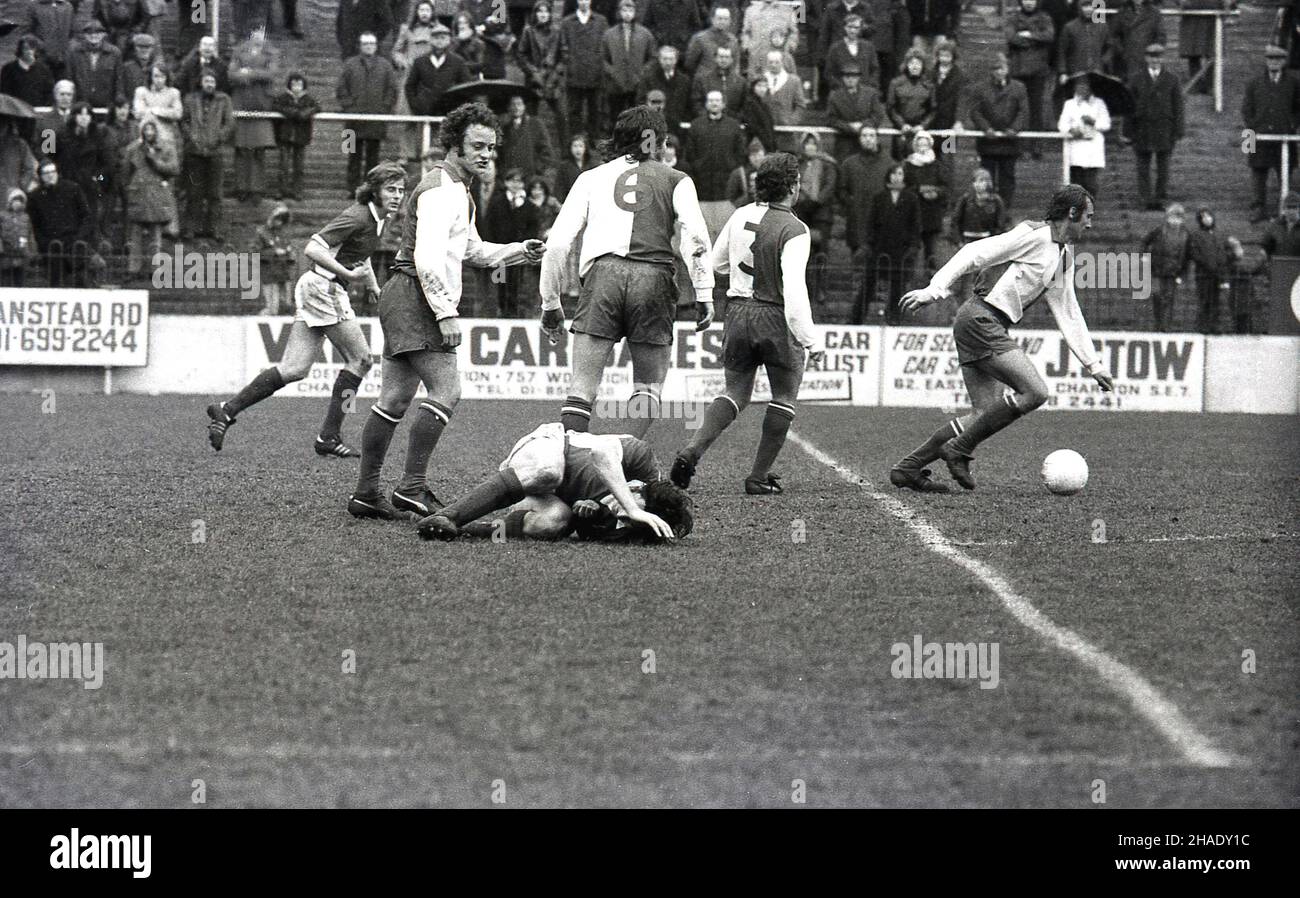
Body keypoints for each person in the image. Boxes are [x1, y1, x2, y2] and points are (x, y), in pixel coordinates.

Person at [347, 105, 545, 521]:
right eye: (477, 146)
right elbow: (428, 258)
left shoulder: (459, 189)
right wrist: (445, 313)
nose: (486, 154)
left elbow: (471, 250)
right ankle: (411, 487)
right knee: (447, 390)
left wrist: (516, 251)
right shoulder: (440, 188)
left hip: (405, 293)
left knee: (396, 398)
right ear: (454, 145)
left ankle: (366, 493)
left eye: (491, 147)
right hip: (417, 294)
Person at [891, 184, 1115, 492]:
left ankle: (909, 467)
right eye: (1087, 216)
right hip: (981, 319)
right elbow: (974, 252)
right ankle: (958, 450)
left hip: (985, 322)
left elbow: (1068, 311)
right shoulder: (1034, 234)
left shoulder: (1063, 257)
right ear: (1072, 213)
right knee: (1035, 392)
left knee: (984, 413)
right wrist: (936, 289)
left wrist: (1094, 364)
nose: (1090, 224)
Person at [206, 163, 408, 459]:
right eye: (391, 189)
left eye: (401, 190)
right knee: (361, 359)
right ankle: (329, 435)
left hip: (318, 286)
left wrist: (373, 286)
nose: (397, 196)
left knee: (294, 369)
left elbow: (360, 259)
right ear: (374, 190)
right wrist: (348, 276)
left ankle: (227, 410)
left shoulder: (380, 218)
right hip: (323, 287)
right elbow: (313, 248)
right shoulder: (358, 215)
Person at [539, 104, 715, 438]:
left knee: (582, 388)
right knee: (648, 388)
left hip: (603, 277)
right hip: (654, 279)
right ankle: (618, 466)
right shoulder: (677, 179)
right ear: (659, 142)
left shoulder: (590, 177)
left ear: (618, 140)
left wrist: (550, 301)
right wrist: (704, 293)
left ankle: (571, 469)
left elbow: (558, 243)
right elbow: (696, 238)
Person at [670, 152, 824, 495]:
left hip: (738, 313)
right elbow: (795, 289)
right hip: (774, 315)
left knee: (735, 391)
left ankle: (691, 451)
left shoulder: (740, 215)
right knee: (784, 396)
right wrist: (811, 339)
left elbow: (717, 262)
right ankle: (758, 476)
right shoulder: (795, 229)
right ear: (792, 187)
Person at [414, 423, 689, 542]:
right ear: (638, 488)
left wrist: (586, 514)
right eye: (628, 513)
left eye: (628, 523)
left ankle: (464, 529)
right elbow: (602, 453)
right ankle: (448, 515)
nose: (622, 517)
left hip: (539, 498)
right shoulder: (642, 460)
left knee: (555, 522)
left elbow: (583, 530)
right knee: (550, 472)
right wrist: (634, 508)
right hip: (546, 449)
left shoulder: (626, 527)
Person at [1243, 45, 1300, 223]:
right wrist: (1254, 126)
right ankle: (1258, 209)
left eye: (1277, 60)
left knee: (1285, 172)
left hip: (1284, 136)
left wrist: (1291, 124)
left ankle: (1285, 210)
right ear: (1266, 61)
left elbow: (1298, 108)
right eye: (1270, 59)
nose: (1274, 63)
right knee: (1258, 172)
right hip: (1258, 136)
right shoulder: (1255, 82)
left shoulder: (1293, 83)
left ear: (1283, 62)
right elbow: (1247, 109)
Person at [338, 32, 398, 194]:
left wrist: (383, 109)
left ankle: (370, 189)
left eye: (372, 43)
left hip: (375, 120)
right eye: (365, 43)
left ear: (376, 45)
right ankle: (353, 188)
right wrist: (349, 107)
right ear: (360, 45)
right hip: (352, 122)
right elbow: (341, 89)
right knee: (352, 154)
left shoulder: (385, 65)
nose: (369, 46)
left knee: (373, 156)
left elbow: (392, 90)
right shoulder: (350, 64)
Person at [861, 162, 920, 324]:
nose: (896, 177)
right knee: (868, 284)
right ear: (889, 176)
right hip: (879, 248)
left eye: (900, 174)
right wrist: (868, 244)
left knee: (897, 287)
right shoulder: (879, 197)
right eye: (894, 173)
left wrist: (913, 247)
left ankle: (894, 318)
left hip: (901, 249)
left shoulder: (911, 198)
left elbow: (915, 225)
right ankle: (857, 319)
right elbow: (871, 223)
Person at [1126, 42, 1182, 211]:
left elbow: (1178, 106)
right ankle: (1145, 199)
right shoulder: (1136, 79)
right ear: (1146, 58)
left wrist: (1178, 129)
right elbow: (1128, 106)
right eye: (1151, 57)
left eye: (1158, 57)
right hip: (1142, 127)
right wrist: (1128, 131)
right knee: (1142, 166)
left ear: (1163, 58)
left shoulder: (1172, 79)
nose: (1155, 60)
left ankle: (1160, 198)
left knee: (1163, 167)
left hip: (1164, 128)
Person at [180, 68, 235, 240]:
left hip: (215, 151)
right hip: (194, 152)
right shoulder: (190, 99)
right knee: (193, 192)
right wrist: (192, 137)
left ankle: (215, 228)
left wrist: (219, 138)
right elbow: (184, 121)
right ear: (201, 82)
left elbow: (229, 123)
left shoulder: (224, 100)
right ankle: (191, 228)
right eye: (206, 81)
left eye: (212, 81)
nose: (209, 84)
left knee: (215, 193)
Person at [229, 26, 281, 205]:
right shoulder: (239, 50)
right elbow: (231, 74)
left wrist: (249, 72)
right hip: (241, 105)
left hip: (261, 107)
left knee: (258, 152)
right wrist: (251, 74)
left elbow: (271, 73)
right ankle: (242, 188)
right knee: (242, 151)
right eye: (255, 32)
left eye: (262, 32)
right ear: (250, 34)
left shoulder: (271, 53)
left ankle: (256, 189)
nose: (258, 36)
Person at [686, 89, 747, 239]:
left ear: (723, 104)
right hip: (703, 184)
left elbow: (740, 152)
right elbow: (689, 152)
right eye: (711, 100)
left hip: (726, 185)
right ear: (706, 104)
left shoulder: (733, 126)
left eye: (717, 100)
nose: (714, 103)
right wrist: (698, 166)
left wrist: (732, 167)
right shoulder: (696, 125)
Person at [970, 53, 1028, 210]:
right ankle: (987, 209)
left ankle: (1003, 211)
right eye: (995, 68)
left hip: (1009, 143)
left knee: (1007, 179)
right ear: (991, 71)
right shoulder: (980, 88)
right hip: (988, 143)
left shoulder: (1019, 88)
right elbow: (975, 112)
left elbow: (1023, 112)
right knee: (986, 178)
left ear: (1007, 69)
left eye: (1002, 68)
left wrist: (1014, 129)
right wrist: (986, 128)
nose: (999, 71)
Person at [122, 117, 178, 276]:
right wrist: (130, 188)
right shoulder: (133, 149)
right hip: (138, 194)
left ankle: (156, 269)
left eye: (152, 129)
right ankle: (134, 269)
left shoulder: (167, 148)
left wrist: (155, 161)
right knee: (136, 236)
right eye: (146, 129)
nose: (149, 132)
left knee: (156, 236)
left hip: (157, 194)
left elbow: (174, 169)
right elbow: (125, 173)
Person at [483, 166, 541, 317]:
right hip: (500, 254)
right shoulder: (497, 202)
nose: (516, 185)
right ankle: (500, 311)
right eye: (512, 181)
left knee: (517, 284)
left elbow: (533, 227)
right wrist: (492, 247)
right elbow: (489, 224)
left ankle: (514, 313)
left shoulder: (529, 206)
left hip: (518, 253)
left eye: (519, 182)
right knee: (499, 283)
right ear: (506, 183)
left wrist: (526, 245)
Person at [26, 158, 91, 287]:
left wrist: (79, 237)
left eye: (52, 171)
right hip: (51, 245)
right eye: (46, 173)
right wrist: (43, 243)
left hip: (73, 242)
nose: (50, 175)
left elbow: (86, 216)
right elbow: (34, 224)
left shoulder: (73, 188)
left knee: (80, 283)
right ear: (40, 176)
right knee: (55, 284)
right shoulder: (35, 196)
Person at [948, 168, 1008, 301]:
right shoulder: (965, 199)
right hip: (967, 241)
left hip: (986, 242)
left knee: (984, 279)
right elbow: (955, 221)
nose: (981, 184)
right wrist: (958, 242)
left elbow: (1000, 224)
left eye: (984, 181)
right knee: (964, 278)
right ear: (973, 183)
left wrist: (994, 243)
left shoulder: (996, 201)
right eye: (978, 181)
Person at [1005, 0, 1055, 152]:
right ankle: (1015, 143)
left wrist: (1028, 35)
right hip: (1017, 70)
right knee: (1015, 106)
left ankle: (1036, 144)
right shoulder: (1013, 18)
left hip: (1037, 70)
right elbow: (1011, 37)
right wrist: (1034, 41)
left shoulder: (1044, 18)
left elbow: (1049, 35)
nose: (1029, 3)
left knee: (1036, 108)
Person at [559, 0, 608, 142]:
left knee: (595, 110)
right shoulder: (567, 22)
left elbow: (605, 47)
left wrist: (600, 67)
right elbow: (563, 47)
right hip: (575, 75)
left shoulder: (601, 21)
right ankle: (577, 141)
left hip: (595, 75)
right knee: (574, 111)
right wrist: (570, 65)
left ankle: (594, 141)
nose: (584, 2)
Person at [1058, 73, 1110, 199]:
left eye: (1086, 86)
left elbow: (1106, 124)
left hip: (1093, 148)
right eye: (1080, 86)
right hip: (1076, 147)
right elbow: (1062, 124)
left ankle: (1088, 210)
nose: (1083, 89)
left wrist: (1094, 122)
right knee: (1076, 183)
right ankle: (1076, 211)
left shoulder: (1099, 104)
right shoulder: (1069, 104)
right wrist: (1071, 130)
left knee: (1091, 184)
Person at [902, 129, 946, 278]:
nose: (922, 148)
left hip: (932, 213)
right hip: (913, 212)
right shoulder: (908, 165)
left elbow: (945, 186)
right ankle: (908, 278)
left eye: (925, 145)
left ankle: (931, 279)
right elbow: (904, 186)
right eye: (919, 145)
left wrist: (936, 192)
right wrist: (919, 190)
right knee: (911, 248)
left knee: (931, 250)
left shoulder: (937, 165)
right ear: (915, 146)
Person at [515, 1, 564, 133]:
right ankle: (530, 145)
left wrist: (555, 74)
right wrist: (533, 72)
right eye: (540, 11)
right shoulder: (528, 31)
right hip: (533, 80)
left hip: (552, 81)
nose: (543, 14)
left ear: (550, 14)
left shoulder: (556, 32)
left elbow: (563, 56)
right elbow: (520, 55)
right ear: (535, 14)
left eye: (546, 11)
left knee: (561, 115)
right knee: (530, 116)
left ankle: (566, 149)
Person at [405, 22, 472, 118]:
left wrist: (459, 108)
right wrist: (416, 105)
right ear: (431, 40)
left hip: (450, 112)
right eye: (436, 38)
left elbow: (467, 86)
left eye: (443, 38)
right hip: (424, 112)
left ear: (449, 40)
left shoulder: (458, 61)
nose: (439, 41)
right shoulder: (420, 61)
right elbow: (410, 86)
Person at [1141, 201, 1191, 331]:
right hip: (1157, 269)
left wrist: (1182, 273)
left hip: (1174, 271)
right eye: (1172, 217)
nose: (1175, 221)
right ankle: (1158, 323)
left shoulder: (1186, 234)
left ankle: (1165, 326)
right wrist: (1144, 256)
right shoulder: (1159, 230)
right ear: (1168, 217)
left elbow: (1187, 256)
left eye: (1178, 218)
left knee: (1169, 299)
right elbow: (1145, 241)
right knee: (1157, 296)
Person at [271, 72, 319, 201]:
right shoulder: (283, 97)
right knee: (284, 165)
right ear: (289, 85)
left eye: (299, 84)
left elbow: (317, 107)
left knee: (299, 166)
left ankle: (297, 190)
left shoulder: (308, 98)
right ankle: (282, 190)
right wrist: (291, 112)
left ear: (303, 86)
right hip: (285, 135)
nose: (296, 87)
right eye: (294, 84)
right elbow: (275, 106)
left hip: (301, 136)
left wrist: (304, 113)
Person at [827, 61, 887, 159]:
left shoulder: (871, 94)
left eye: (854, 76)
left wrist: (863, 125)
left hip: (867, 141)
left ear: (858, 78)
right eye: (847, 76)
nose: (850, 79)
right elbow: (831, 119)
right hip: (845, 142)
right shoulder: (835, 96)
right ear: (842, 78)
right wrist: (849, 127)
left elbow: (878, 115)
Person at [637, 45, 692, 138]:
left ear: (676, 60)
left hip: (677, 127)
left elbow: (689, 104)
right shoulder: (649, 79)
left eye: (671, 59)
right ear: (659, 60)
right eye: (665, 59)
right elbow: (641, 101)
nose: (668, 62)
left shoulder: (684, 80)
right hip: (653, 127)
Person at [886, 48, 934, 156]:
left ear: (923, 66)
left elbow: (933, 109)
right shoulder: (896, 83)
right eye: (911, 63)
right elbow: (890, 108)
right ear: (906, 64)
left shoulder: (929, 85)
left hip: (920, 132)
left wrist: (923, 126)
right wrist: (901, 124)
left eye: (918, 63)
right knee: (900, 162)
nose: (915, 66)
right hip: (901, 131)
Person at [67, 20, 124, 111]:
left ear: (103, 34)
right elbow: (70, 77)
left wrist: (118, 98)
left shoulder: (114, 53)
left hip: (106, 102)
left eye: (97, 33)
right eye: (90, 33)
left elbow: (119, 79)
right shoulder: (75, 52)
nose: (93, 36)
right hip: (81, 102)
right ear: (85, 35)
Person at [498, 93, 555, 185]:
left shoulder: (535, 124)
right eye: (513, 104)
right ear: (509, 108)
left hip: (530, 176)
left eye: (519, 104)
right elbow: (501, 155)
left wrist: (537, 169)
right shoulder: (505, 129)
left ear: (524, 106)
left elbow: (547, 151)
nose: (516, 108)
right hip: (511, 179)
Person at [1189, 206, 1226, 334]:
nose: (1207, 219)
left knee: (1215, 301)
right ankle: (1202, 326)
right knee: (1204, 301)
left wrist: (1220, 270)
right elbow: (1195, 254)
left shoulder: (1218, 234)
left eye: (1208, 216)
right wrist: (1208, 265)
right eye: (1203, 217)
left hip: (1217, 274)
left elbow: (1222, 253)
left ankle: (1214, 326)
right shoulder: (1196, 235)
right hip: (1203, 274)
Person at [1056, 0, 1110, 85]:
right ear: (1079, 8)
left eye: (1090, 6)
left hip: (1097, 72)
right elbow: (1062, 51)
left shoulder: (1102, 26)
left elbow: (1109, 46)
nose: (1088, 9)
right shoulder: (1069, 27)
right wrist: (1063, 72)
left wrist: (1104, 61)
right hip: (1076, 73)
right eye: (1085, 6)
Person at [1109, 0, 1164, 83]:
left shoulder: (1154, 13)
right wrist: (1122, 51)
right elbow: (1114, 35)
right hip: (1127, 59)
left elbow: (1161, 36)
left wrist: (1153, 53)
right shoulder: (1123, 11)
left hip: (1147, 57)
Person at [256, 203, 295, 315]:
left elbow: (291, 251)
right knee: (272, 309)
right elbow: (254, 252)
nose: (280, 222)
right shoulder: (261, 232)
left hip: (284, 272)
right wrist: (274, 253)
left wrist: (289, 253)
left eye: (282, 219)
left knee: (287, 305)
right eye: (278, 219)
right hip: (270, 273)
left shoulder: (284, 233)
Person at [1, 35, 55, 110]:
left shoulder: (44, 70)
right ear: (20, 50)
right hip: (16, 111)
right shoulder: (8, 69)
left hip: (37, 111)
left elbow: (49, 92)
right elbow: (5, 93)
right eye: (26, 49)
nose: (30, 52)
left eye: (32, 49)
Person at [684, 6, 739, 77]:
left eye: (725, 19)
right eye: (719, 18)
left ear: (729, 21)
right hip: (704, 81)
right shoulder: (700, 38)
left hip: (726, 82)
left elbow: (735, 65)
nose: (722, 22)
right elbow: (689, 64)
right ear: (712, 20)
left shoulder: (733, 40)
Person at [0, 188, 37, 286]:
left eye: (20, 201)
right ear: (10, 202)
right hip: (6, 254)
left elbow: (30, 234)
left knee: (20, 280)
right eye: (14, 200)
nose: (17, 203)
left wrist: (32, 251)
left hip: (22, 253)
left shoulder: (26, 217)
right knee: (5, 280)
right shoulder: (2, 216)